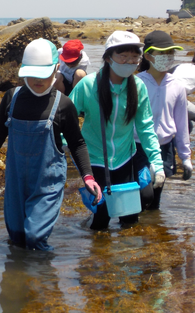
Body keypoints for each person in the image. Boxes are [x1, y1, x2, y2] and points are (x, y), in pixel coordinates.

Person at [0, 38, 101, 251]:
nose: (37, 81)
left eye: (43, 75)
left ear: (56, 69)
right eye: (31, 75)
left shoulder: (63, 104)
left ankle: (45, 280)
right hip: (15, 182)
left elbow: (77, 144)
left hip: (47, 183)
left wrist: (88, 176)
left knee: (34, 236)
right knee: (17, 238)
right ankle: (20, 281)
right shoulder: (11, 99)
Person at [69, 30, 165, 230]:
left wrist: (157, 162)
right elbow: (66, 118)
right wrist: (62, 146)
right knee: (101, 219)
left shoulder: (138, 87)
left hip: (124, 158)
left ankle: (126, 255)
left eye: (134, 57)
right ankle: (99, 256)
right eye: (123, 56)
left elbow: (146, 128)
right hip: (94, 160)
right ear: (108, 58)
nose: (129, 61)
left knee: (130, 217)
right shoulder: (88, 85)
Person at [136, 30, 192, 209]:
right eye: (162, 53)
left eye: (171, 53)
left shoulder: (177, 86)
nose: (168, 57)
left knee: (155, 199)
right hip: (138, 147)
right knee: (143, 194)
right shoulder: (136, 83)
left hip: (165, 147)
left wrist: (186, 157)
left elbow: (182, 123)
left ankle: (154, 233)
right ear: (148, 56)